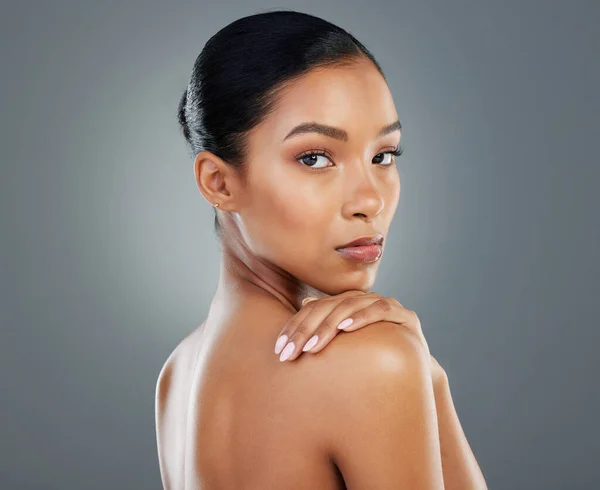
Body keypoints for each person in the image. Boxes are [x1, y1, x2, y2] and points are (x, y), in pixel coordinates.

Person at [155, 9, 488, 489]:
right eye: (315, 157)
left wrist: (428, 376)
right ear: (219, 181)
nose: (369, 199)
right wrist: (406, 360)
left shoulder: (177, 374)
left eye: (383, 156)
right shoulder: (368, 361)